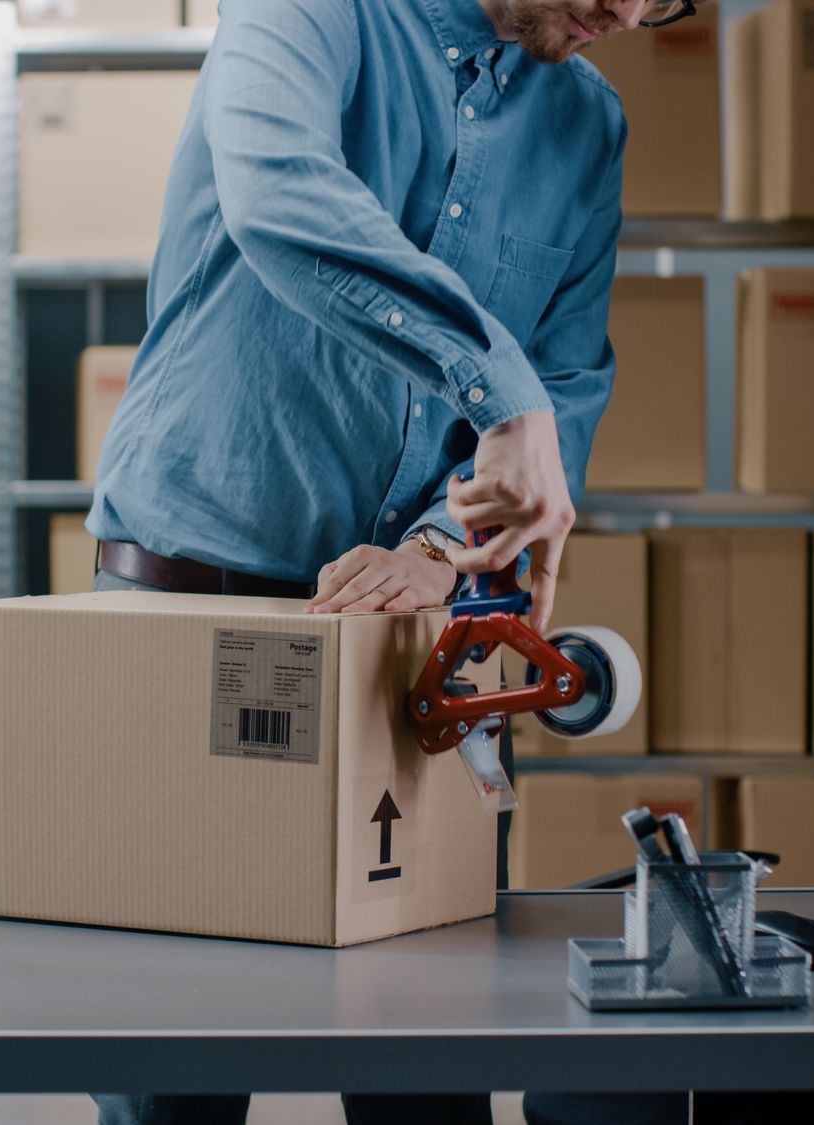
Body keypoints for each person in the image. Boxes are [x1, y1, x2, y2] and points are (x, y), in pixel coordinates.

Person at [84, 1, 696, 1122]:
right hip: (194, 605)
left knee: (427, 1062)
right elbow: (279, 194)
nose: (626, 11)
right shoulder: (314, 13)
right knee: (171, 1069)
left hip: (417, 636)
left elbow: (561, 385)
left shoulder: (585, 124)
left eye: (663, 0)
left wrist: (439, 545)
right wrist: (494, 387)